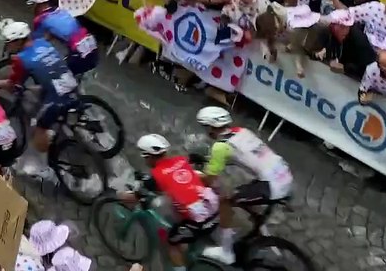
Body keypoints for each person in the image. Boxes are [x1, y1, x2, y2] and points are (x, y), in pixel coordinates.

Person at [194, 106, 294, 264]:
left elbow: (209, 179)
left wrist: (196, 175)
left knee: (225, 201)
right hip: (283, 173)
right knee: (244, 192)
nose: (206, 131)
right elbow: (242, 155)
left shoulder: (220, 147)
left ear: (211, 127)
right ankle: (257, 226)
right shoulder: (242, 131)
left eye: (205, 127)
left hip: (272, 185)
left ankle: (226, 252)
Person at [0, 19, 79, 181]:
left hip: (57, 98)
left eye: (9, 43)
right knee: (37, 91)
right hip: (71, 85)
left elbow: (12, 85)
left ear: (17, 42)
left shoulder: (20, 59)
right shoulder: (43, 43)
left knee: (38, 128)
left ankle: (45, 169)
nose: (8, 46)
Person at [118, 134, 220, 271]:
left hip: (201, 222)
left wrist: (118, 196)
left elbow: (132, 198)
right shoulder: (181, 160)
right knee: (176, 209)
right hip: (215, 212)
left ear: (148, 156)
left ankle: (180, 268)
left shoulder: (155, 177)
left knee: (172, 243)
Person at [25, 0, 99, 76]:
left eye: (31, 5)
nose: (30, 8)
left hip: (79, 53)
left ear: (37, 5)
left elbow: (35, 43)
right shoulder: (60, 11)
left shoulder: (40, 19)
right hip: (91, 45)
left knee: (55, 79)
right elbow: (56, 32)